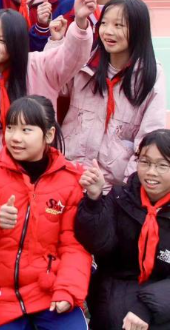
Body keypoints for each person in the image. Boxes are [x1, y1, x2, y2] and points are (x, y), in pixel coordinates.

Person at [0, 96, 92, 330]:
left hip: (48, 289)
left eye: (26, 130)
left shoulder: (70, 181)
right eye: (10, 128)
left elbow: (74, 245)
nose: (15, 137)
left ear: (49, 135)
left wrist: (67, 290)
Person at [0, 0, 96, 195]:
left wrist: (80, 23)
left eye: (2, 40)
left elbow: (72, 57)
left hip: (42, 172)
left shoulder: (39, 66)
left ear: (17, 43)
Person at [61, 0, 165, 191]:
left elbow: (148, 139)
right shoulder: (85, 63)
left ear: (138, 30)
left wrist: (126, 190)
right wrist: (58, 41)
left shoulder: (150, 76)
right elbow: (55, 79)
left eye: (119, 25)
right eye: (104, 23)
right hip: (69, 175)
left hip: (113, 187)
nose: (108, 31)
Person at [75, 129, 170, 330]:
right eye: (145, 162)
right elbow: (98, 245)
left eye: (162, 165)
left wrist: (146, 307)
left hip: (162, 299)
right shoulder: (121, 197)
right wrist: (94, 200)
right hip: (116, 292)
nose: (151, 172)